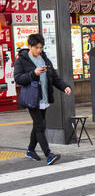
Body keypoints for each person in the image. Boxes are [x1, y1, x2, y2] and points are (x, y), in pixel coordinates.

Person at [14, 33, 72, 165]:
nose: (39, 50)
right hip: (32, 98)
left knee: (37, 125)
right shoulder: (22, 60)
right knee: (40, 126)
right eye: (37, 47)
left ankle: (30, 150)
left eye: (41, 47)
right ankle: (48, 154)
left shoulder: (44, 58)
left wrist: (65, 87)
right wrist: (33, 74)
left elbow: (54, 77)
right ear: (29, 46)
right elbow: (18, 79)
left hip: (44, 97)